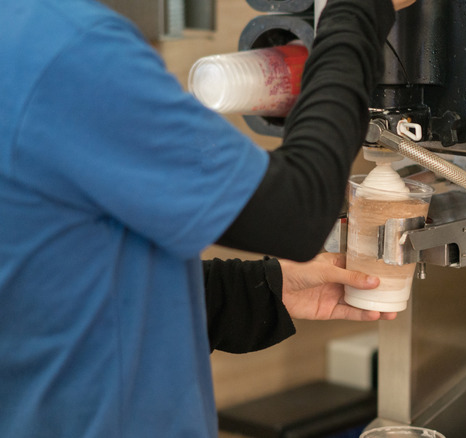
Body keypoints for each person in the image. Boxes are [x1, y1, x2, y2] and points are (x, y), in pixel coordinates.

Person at [0, 0, 415, 436]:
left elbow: (48, 282)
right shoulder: (63, 51)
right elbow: (297, 211)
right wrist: (355, 11)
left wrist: (259, 293)